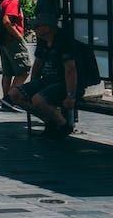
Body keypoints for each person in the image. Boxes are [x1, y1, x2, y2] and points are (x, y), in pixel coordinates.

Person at [7, 8, 78, 139]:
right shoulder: (42, 41)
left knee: (38, 100)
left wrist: (70, 95)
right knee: (14, 94)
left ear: (48, 27)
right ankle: (49, 120)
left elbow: (70, 70)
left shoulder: (63, 42)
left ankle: (63, 125)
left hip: (61, 82)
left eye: (38, 26)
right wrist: (33, 83)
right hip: (46, 80)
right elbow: (38, 63)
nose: (35, 29)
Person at [0, 0, 32, 111]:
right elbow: (7, 21)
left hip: (4, 42)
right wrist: (19, 36)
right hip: (13, 41)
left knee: (8, 72)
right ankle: (9, 99)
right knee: (24, 69)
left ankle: (6, 100)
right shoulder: (13, 1)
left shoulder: (3, 1)